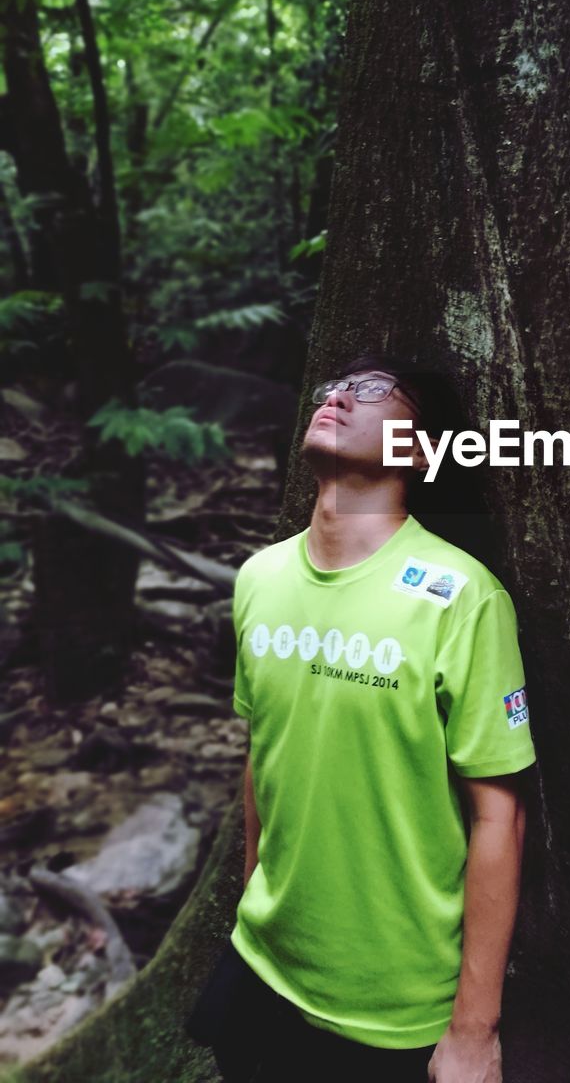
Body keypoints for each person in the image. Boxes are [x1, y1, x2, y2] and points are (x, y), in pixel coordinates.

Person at [187, 353, 536, 1082]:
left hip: (392, 1004)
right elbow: (265, 752)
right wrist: (252, 890)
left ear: (420, 449)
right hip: (260, 965)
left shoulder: (463, 598)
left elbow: (500, 816)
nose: (342, 397)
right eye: (335, 387)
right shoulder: (260, 578)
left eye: (375, 392)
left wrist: (474, 1029)